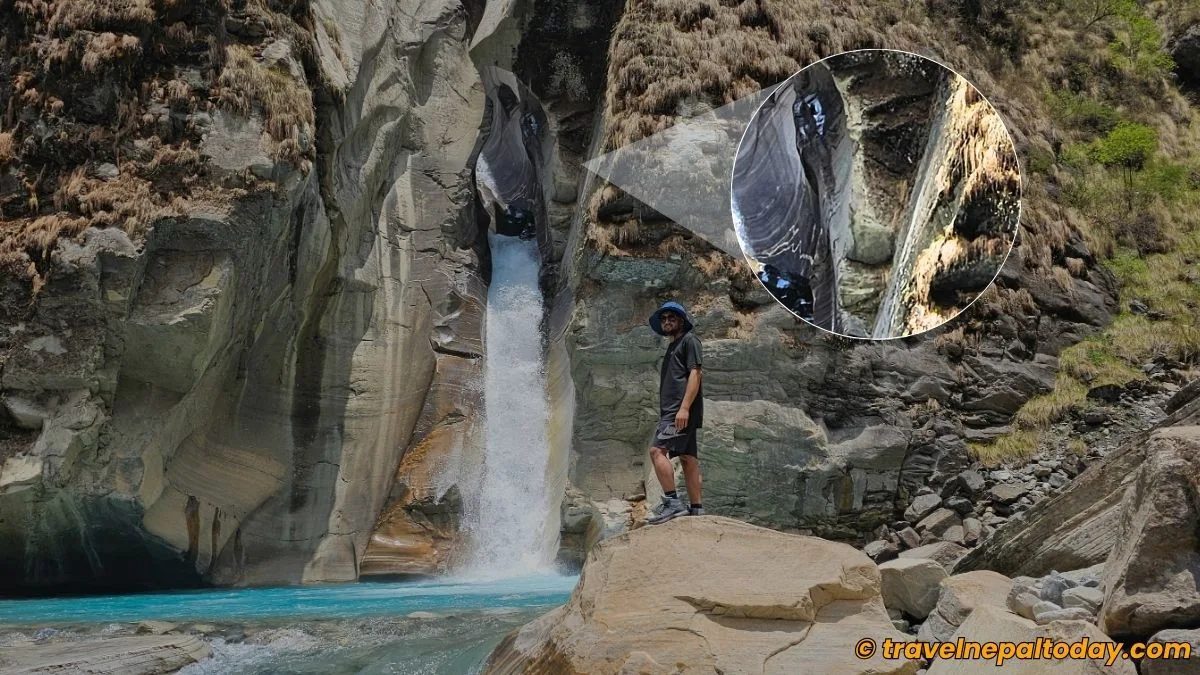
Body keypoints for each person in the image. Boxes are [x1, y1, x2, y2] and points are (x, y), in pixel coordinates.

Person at [645, 301, 705, 525]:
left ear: (682, 320)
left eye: (672, 317)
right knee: (688, 459)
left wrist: (684, 408)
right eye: (664, 318)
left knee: (656, 451)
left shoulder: (689, 340)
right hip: (677, 412)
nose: (667, 321)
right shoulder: (673, 346)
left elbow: (695, 374)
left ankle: (672, 503)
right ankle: (697, 508)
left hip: (678, 412)